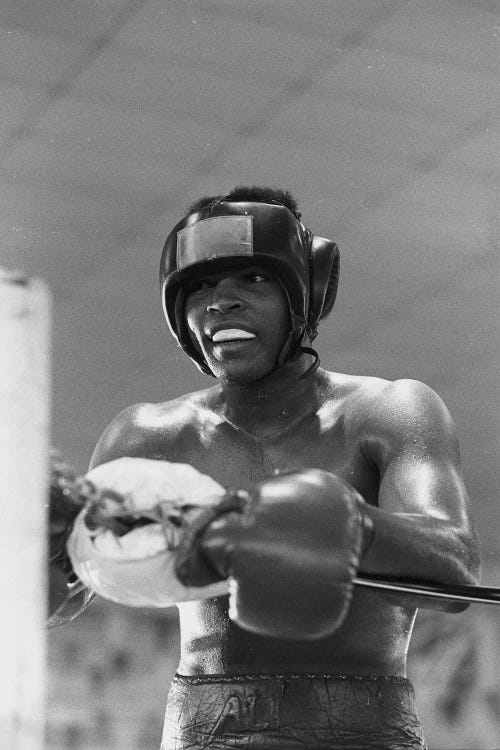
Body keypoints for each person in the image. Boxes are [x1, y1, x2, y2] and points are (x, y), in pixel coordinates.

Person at [83, 186, 480, 749]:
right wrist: (48, 550)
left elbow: (455, 569)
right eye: (198, 287)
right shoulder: (147, 434)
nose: (221, 301)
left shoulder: (388, 410)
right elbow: (72, 581)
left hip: (363, 729)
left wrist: (349, 525)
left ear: (309, 290)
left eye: (253, 278)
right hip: (204, 728)